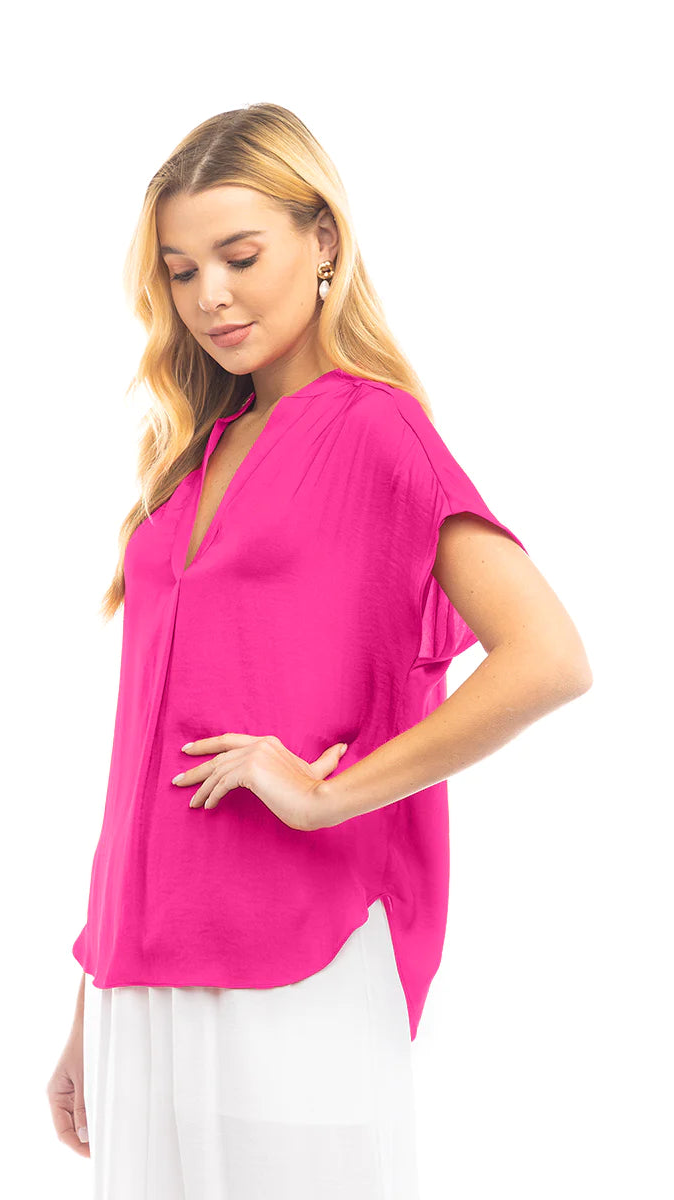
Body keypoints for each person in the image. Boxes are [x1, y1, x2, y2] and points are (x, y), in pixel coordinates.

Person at [46, 102, 592, 1199]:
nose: (210, 296)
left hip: (293, 955)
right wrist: (87, 998)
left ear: (324, 240)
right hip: (142, 971)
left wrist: (327, 795)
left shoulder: (373, 431)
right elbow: (144, 750)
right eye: (181, 271)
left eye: (240, 257)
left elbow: (547, 656)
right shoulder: (191, 458)